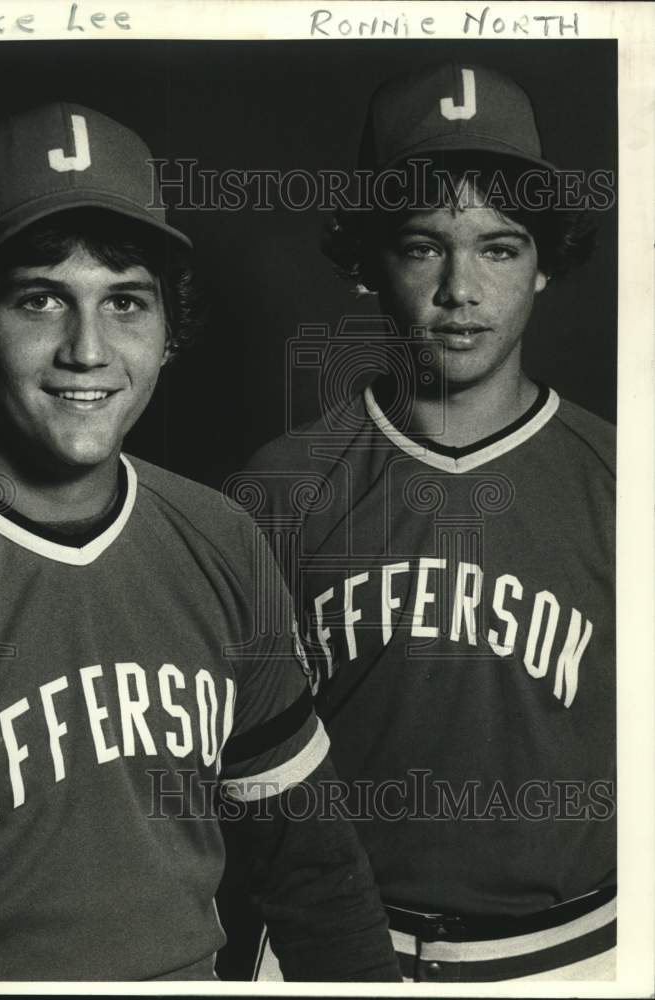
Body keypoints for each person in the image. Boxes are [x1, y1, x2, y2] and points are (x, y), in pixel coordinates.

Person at [0, 102, 401, 982]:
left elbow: (312, 875)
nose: (88, 349)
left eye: (125, 302)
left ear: (167, 332)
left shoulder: (220, 539)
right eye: (39, 297)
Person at [240, 63, 615, 982]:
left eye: (498, 246)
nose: (459, 288)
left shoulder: (623, 480)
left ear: (545, 264)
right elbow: (232, 774)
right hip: (325, 949)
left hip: (576, 951)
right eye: (420, 246)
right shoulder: (274, 491)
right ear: (368, 262)